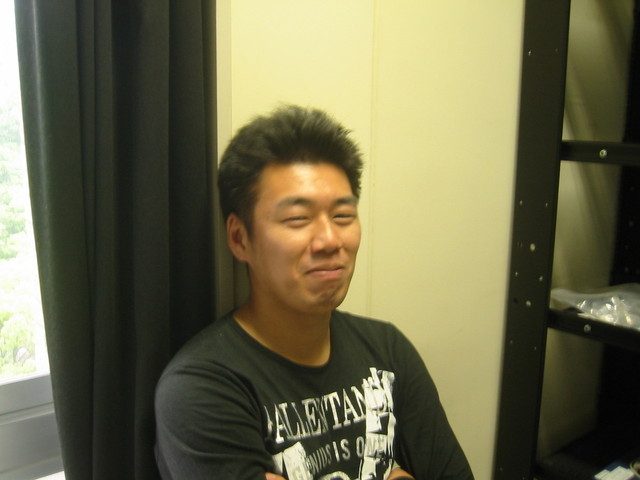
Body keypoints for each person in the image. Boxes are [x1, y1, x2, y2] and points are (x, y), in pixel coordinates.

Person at [154, 105, 474, 480]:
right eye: (298, 219)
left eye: (343, 216)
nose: (329, 240)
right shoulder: (202, 388)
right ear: (240, 239)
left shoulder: (387, 350)